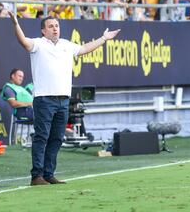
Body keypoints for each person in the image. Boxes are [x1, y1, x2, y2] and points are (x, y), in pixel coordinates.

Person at [8, 11, 120, 186]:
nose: (55, 29)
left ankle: (48, 174)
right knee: (41, 137)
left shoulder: (66, 45)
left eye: (57, 26)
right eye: (51, 26)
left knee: (57, 138)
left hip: (63, 100)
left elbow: (83, 49)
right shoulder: (38, 44)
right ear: (43, 31)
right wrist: (15, 24)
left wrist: (104, 38)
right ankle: (36, 176)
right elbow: (23, 41)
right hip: (44, 99)